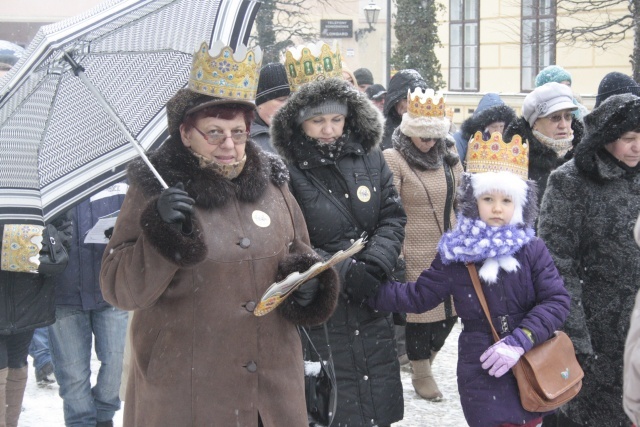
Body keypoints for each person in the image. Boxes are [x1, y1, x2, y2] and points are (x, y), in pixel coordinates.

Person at [100, 40, 339, 426]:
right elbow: (120, 289)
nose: (229, 145)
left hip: (271, 390)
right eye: (213, 132)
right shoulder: (154, 188)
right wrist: (159, 233)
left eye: (239, 133)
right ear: (185, 133)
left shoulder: (273, 182)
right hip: (188, 392)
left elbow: (301, 254)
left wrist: (309, 286)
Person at [369, 133, 571, 427]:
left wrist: (520, 339)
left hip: (529, 361)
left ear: (521, 203)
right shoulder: (457, 252)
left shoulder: (531, 249)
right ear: (473, 201)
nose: (498, 208)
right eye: (488, 198)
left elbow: (556, 300)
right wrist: (368, 291)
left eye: (506, 199)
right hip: (481, 369)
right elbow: (419, 296)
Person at [271, 45, 407, 427]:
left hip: (371, 296)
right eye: (318, 122)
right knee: (334, 407)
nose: (329, 130)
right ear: (299, 122)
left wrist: (376, 263)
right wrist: (344, 272)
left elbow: (392, 216)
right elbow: (289, 239)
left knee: (375, 404)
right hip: (324, 304)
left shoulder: (370, 154)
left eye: (336, 119)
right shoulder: (284, 169)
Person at [538, 93, 640, 427]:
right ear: (607, 139)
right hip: (594, 330)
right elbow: (556, 262)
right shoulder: (570, 182)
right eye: (629, 139)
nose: (638, 147)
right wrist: (576, 338)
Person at [383, 88, 463, 401]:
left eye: (433, 137)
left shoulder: (449, 156)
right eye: (422, 136)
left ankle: (425, 360)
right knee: (420, 316)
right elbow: (389, 206)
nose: (428, 142)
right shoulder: (394, 158)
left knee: (450, 314)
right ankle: (421, 371)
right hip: (413, 247)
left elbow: (463, 196)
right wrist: (395, 252)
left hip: (451, 248)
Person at [47, 184, 129, 427]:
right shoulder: (51, 184)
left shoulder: (117, 175)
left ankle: (104, 416)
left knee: (116, 363)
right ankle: (80, 421)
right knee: (72, 374)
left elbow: (136, 222)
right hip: (63, 291)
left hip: (111, 287)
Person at [0, 218, 71, 427]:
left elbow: (64, 233)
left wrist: (43, 242)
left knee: (17, 362)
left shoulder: (38, 194)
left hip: (29, 296)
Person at [503, 82, 583, 209]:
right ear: (535, 123)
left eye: (567, 116)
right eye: (555, 118)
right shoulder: (516, 161)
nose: (563, 125)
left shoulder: (584, 158)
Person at [452, 92, 516, 167]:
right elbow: (455, 170)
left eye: (501, 126)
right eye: (494, 127)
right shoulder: (461, 139)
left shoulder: (510, 141)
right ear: (483, 125)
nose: (498, 131)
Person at [382, 69, 427, 150]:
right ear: (395, 100)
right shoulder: (379, 132)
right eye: (407, 98)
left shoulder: (430, 131)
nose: (411, 105)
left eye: (418, 99)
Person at [250, 62, 290, 154]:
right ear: (260, 103)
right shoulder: (243, 138)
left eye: (291, 100)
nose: (288, 106)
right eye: (281, 100)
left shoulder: (304, 130)